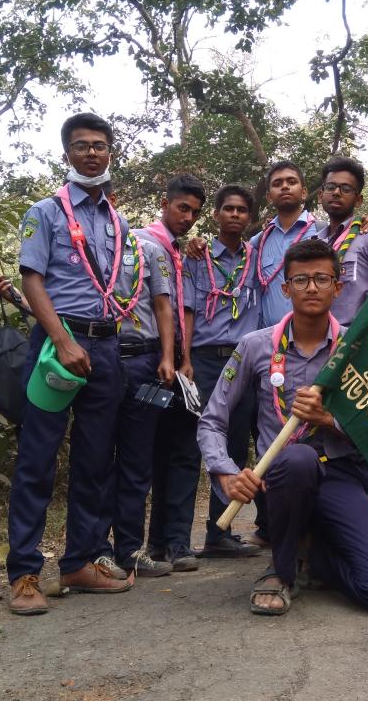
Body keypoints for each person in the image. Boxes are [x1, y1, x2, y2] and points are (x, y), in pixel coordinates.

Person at [196, 239, 368, 616]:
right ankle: (281, 569)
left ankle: (314, 556)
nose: (312, 287)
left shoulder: (356, 350)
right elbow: (212, 420)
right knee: (296, 459)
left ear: (338, 287)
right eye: (301, 280)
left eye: (322, 279)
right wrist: (226, 473)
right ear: (285, 288)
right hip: (279, 479)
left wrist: (329, 420)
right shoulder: (256, 346)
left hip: (341, 474)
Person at [6, 112, 132, 615]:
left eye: (100, 146)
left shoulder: (116, 220)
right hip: (59, 345)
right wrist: (60, 339)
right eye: (81, 146)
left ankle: (80, 561)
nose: (91, 153)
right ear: (67, 153)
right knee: (37, 459)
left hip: (106, 347)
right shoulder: (47, 211)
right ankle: (24, 575)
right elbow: (32, 279)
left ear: (109, 153)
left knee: (96, 461)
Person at [96, 210, 178, 580]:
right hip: (102, 361)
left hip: (144, 363)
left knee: (136, 459)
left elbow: (163, 305)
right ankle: (96, 550)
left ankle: (130, 549)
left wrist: (167, 356)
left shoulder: (149, 250)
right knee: (97, 458)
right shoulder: (90, 253)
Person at [183, 185, 262, 558]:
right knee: (189, 445)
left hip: (242, 361)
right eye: (228, 209)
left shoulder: (257, 257)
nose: (235, 215)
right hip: (203, 357)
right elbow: (186, 311)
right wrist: (184, 359)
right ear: (215, 214)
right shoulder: (197, 256)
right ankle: (178, 540)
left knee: (234, 444)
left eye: (242, 210)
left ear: (249, 218)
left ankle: (220, 533)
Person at [142, 175, 207, 572]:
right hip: (146, 358)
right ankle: (149, 543)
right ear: (164, 203)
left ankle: (178, 542)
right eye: (182, 208)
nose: (188, 217)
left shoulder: (184, 253)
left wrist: (184, 358)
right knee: (150, 454)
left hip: (181, 365)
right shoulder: (143, 242)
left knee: (184, 452)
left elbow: (186, 309)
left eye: (195, 213)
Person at [315, 155, 368, 325]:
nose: (336, 192)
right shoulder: (314, 243)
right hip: (317, 341)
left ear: (358, 200)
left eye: (346, 188)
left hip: (355, 340)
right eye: (331, 187)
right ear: (321, 195)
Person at [250, 160, 321, 327]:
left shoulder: (323, 233)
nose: (284, 187)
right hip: (269, 341)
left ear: (303, 192)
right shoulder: (258, 242)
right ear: (269, 197)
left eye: (291, 182)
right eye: (277, 183)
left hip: (314, 339)